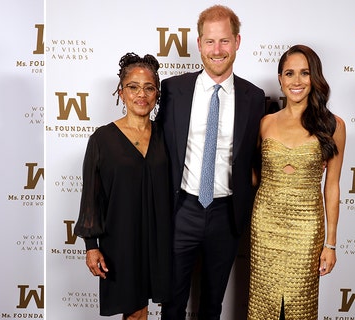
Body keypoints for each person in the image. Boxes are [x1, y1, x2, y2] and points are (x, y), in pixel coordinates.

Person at [156, 5, 266, 320]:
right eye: (209, 42)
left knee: (212, 305)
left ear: (237, 42)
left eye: (224, 41)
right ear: (200, 43)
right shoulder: (173, 90)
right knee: (172, 303)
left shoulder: (254, 97)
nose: (217, 50)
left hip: (225, 214)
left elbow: (258, 157)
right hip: (182, 210)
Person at [247, 45, 345, 320]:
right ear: (280, 78)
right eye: (289, 73)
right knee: (262, 306)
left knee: (300, 309)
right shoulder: (265, 122)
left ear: (315, 77)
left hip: (306, 229)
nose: (297, 81)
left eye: (304, 73)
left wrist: (331, 243)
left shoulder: (333, 125)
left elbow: (333, 186)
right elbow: (254, 176)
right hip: (265, 225)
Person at [73, 52, 172, 320]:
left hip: (161, 238)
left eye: (149, 87)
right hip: (120, 240)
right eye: (133, 87)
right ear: (121, 92)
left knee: (164, 308)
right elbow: (91, 197)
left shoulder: (168, 135)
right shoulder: (102, 139)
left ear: (157, 94)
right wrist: (91, 246)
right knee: (134, 312)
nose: (142, 94)